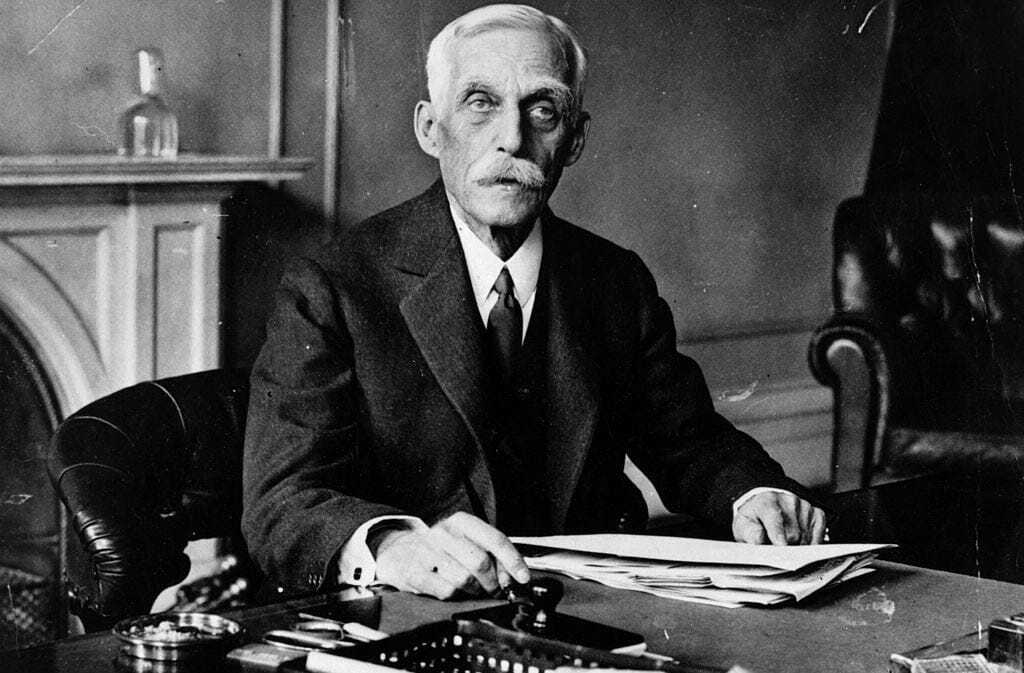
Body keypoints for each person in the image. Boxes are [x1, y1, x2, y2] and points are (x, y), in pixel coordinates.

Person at [241, 3, 826, 601]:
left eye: (542, 110)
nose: (513, 139)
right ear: (430, 129)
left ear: (574, 140)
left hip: (587, 611)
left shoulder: (615, 282)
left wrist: (755, 493)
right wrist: (393, 546)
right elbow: (283, 499)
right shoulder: (334, 284)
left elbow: (688, 440)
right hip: (410, 614)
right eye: (480, 103)